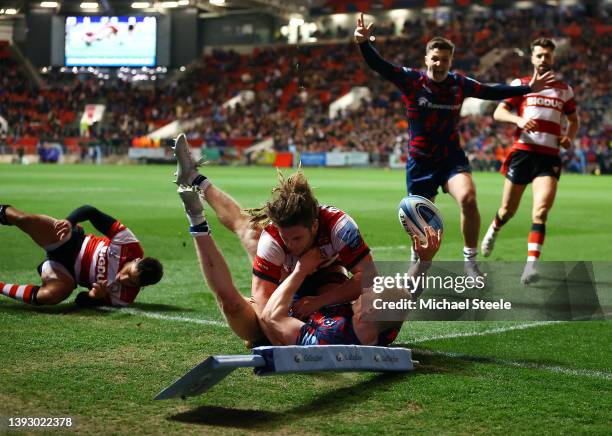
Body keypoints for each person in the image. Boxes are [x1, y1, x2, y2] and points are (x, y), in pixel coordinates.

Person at [354, 14, 555, 273]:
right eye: (435, 58)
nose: (439, 64)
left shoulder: (458, 83)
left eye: (445, 60)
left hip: (451, 158)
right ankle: (418, 258)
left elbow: (490, 90)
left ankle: (470, 261)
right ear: (427, 59)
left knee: (469, 199)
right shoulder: (412, 81)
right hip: (421, 161)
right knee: (421, 224)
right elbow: (380, 65)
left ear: (451, 61)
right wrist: (363, 44)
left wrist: (527, 89)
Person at [175, 183, 441, 346]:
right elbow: (406, 293)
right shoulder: (377, 329)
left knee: (232, 304)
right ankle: (199, 184)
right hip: (310, 294)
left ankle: (197, 221)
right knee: (250, 234)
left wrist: (301, 270)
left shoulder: (324, 339)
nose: (369, 289)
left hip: (288, 309)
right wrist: (424, 262)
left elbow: (269, 315)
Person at [172, 133, 377, 343]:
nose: (290, 244)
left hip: (328, 276)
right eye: (285, 238)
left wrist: (318, 302)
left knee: (342, 310)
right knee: (249, 234)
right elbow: (264, 310)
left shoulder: (340, 226)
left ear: (314, 226)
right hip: (284, 278)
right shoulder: (272, 239)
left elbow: (369, 278)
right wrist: (278, 330)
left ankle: (194, 177)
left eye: (296, 238)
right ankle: (194, 178)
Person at [480, 38, 579, 284]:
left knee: (541, 211)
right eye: (539, 55)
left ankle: (530, 266)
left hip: (549, 158)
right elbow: (499, 112)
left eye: (547, 55)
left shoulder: (564, 89)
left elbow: (574, 120)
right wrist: (519, 121)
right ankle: (494, 228)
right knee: (508, 210)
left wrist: (569, 137)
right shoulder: (521, 84)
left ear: (553, 58)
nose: (543, 59)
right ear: (532, 58)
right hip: (523, 153)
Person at [0, 204, 163, 307]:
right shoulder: (129, 244)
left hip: (66, 273)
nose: (124, 279)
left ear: (142, 287)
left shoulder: (124, 298)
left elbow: (80, 300)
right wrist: (69, 222)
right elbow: (90, 211)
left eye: (132, 283)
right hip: (70, 241)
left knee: (51, 296)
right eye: (128, 273)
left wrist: (93, 297)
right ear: (136, 260)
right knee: (25, 219)